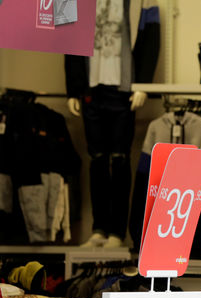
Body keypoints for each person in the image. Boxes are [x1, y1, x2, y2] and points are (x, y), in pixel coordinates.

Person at [65, 0, 160, 248]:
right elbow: (70, 39)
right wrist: (73, 89)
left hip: (123, 89)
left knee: (119, 159)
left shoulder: (143, 1)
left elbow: (151, 38)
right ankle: (99, 229)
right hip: (91, 88)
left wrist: (143, 84)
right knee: (96, 159)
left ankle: (117, 232)